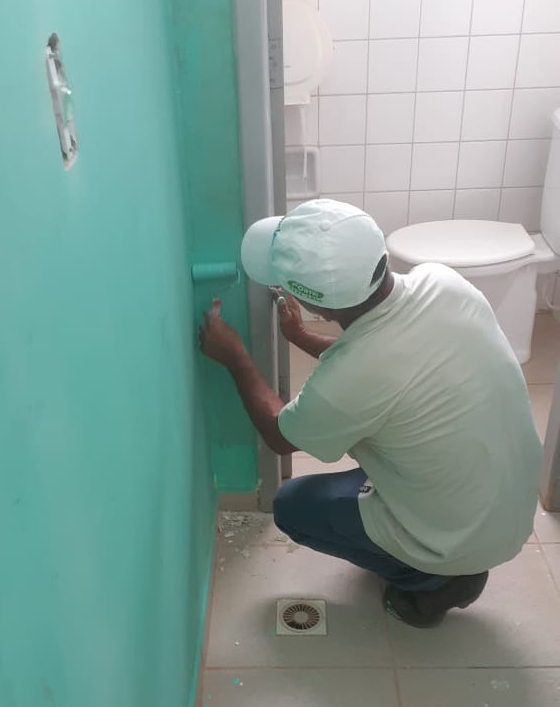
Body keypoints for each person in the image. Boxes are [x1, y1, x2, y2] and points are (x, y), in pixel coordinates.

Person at [199, 199, 542, 629]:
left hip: (461, 538)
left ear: (320, 307)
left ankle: (434, 581)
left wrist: (236, 358)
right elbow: (381, 359)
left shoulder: (353, 378)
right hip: (508, 505)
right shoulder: (443, 282)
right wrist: (301, 337)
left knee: (291, 506)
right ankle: (445, 558)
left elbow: (279, 434)